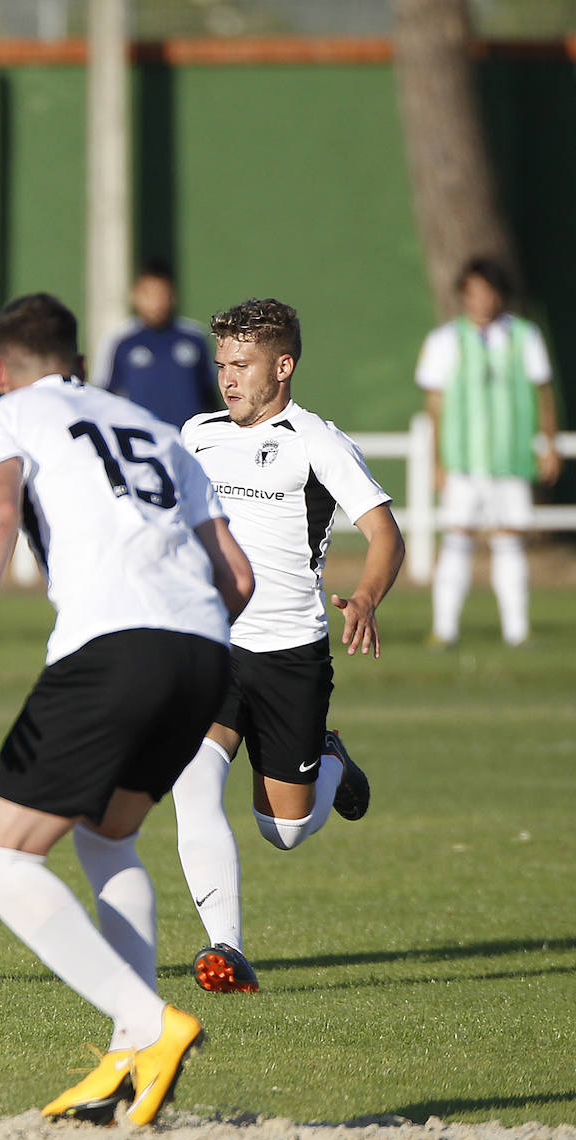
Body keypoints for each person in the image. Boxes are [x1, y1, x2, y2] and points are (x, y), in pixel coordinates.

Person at [0, 293, 254, 1127]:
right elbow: (239, 578)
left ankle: (151, 1023)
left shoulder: (4, 416)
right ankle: (124, 1060)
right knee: (107, 834)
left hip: (115, 646)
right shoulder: (154, 425)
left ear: (3, 369)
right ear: (76, 360)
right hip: (206, 650)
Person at [172, 298, 405, 995]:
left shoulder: (316, 442)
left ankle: (329, 759)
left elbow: (386, 533)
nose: (228, 379)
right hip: (213, 644)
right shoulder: (197, 433)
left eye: (241, 364)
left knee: (285, 830)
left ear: (283, 365)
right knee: (191, 782)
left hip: (290, 652)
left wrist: (364, 597)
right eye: (221, 364)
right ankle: (226, 948)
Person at [415, 257, 560, 647]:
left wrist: (548, 445)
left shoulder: (524, 336)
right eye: (473, 292)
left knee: (510, 539)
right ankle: (444, 630)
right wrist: (437, 461)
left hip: (510, 458)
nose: (481, 301)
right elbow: (435, 406)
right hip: (463, 459)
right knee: (458, 539)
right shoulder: (445, 339)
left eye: (488, 292)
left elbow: (543, 394)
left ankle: (517, 631)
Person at [93, 259, 219, 428]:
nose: (156, 302)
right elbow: (104, 396)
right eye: (149, 294)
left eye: (162, 293)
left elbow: (210, 396)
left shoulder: (195, 337)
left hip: (187, 441)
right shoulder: (120, 340)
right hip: (142, 442)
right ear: (135, 296)